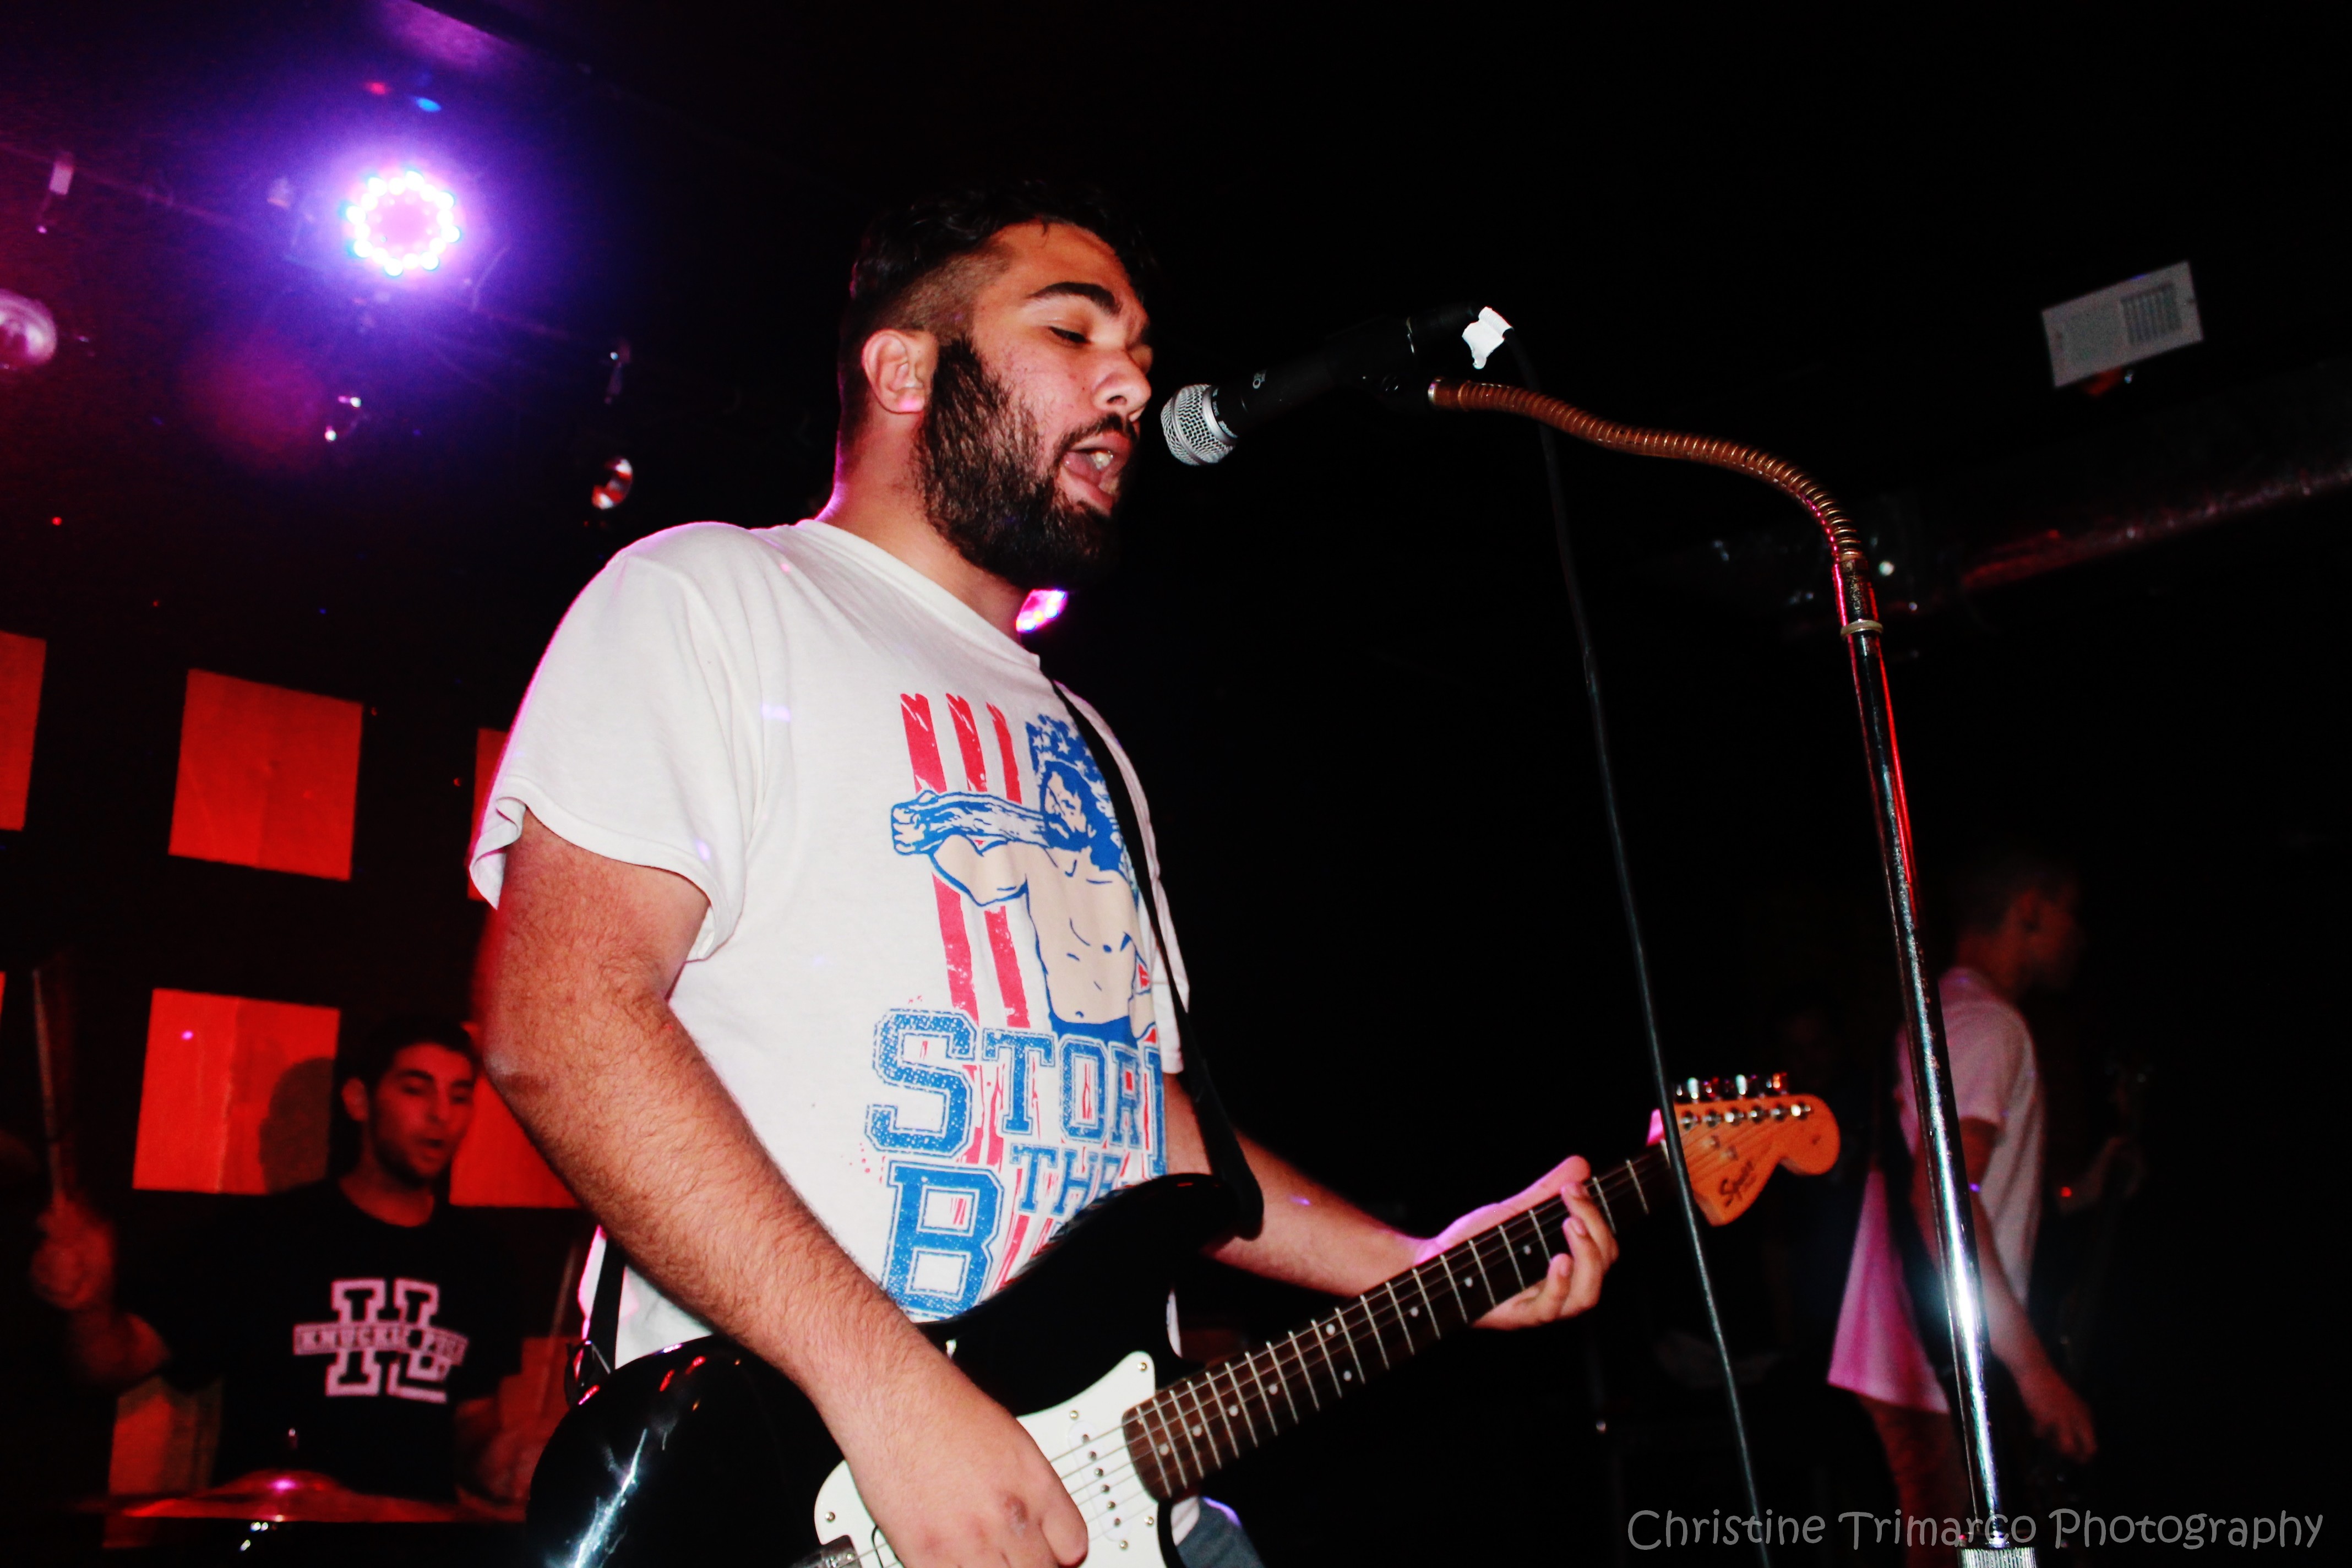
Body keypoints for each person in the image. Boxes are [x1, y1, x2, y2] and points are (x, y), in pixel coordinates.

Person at [470, 182, 1620, 1568]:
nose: (1132, 383)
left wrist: (1419, 1262)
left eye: (1139, 351)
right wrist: (885, 1386)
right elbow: (562, 1017)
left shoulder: (1091, 744)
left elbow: (1145, 1126)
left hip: (1120, 1503)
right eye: (1074, 333)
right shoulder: (712, 597)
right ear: (905, 369)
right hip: (794, 1490)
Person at [30, 1016, 537, 1504]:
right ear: (359, 1101)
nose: (441, 1115)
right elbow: (110, 1365)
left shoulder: (483, 1259)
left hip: (417, 1543)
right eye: (415, 1089)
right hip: (278, 1536)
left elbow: (472, 1423)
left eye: (460, 1096)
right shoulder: (261, 1237)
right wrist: (90, 1304)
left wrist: (498, 1462)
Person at [1828, 844, 2099, 1566]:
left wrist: (2087, 1189)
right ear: (2030, 909)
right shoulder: (1988, 1023)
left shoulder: (1947, 1011)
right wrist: (2035, 1374)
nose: (2080, 935)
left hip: (1918, 1350)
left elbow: (1965, 1190)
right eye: (2070, 913)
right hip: (1937, 1365)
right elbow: (1940, 1198)